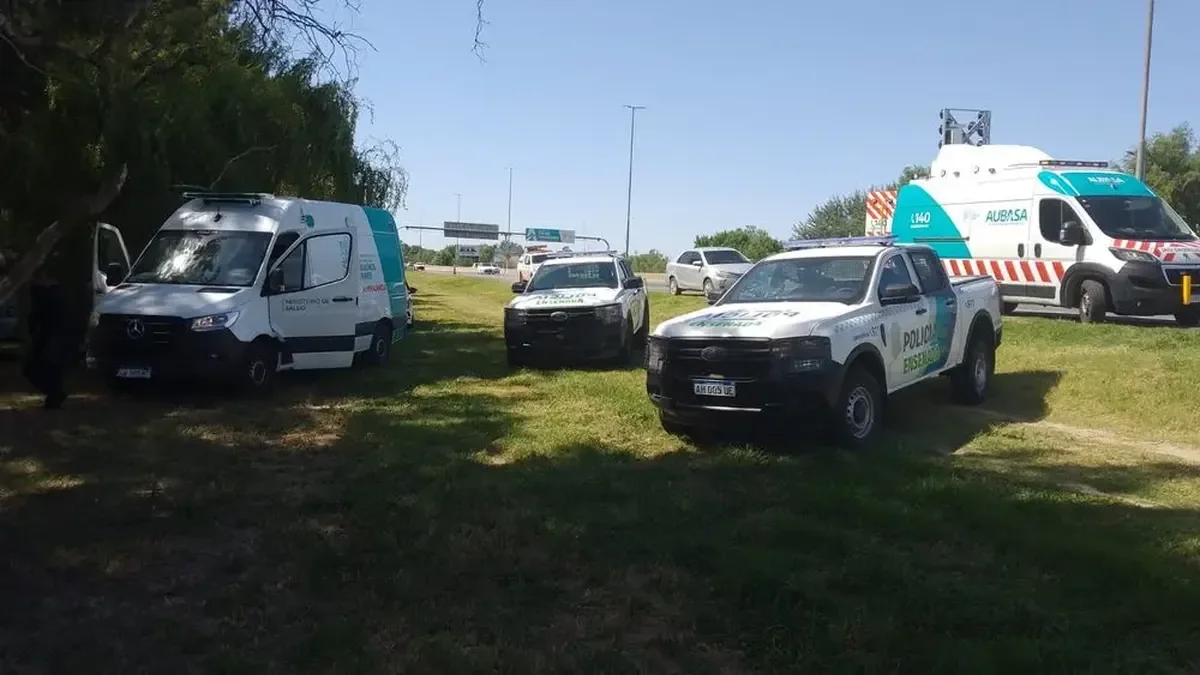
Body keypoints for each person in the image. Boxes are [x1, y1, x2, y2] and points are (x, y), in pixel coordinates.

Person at [22, 263, 77, 409]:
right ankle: (54, 396)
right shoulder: (64, 295)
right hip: (60, 339)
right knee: (52, 371)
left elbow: (35, 318)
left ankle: (55, 395)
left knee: (39, 369)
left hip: (52, 339)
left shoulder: (48, 296)